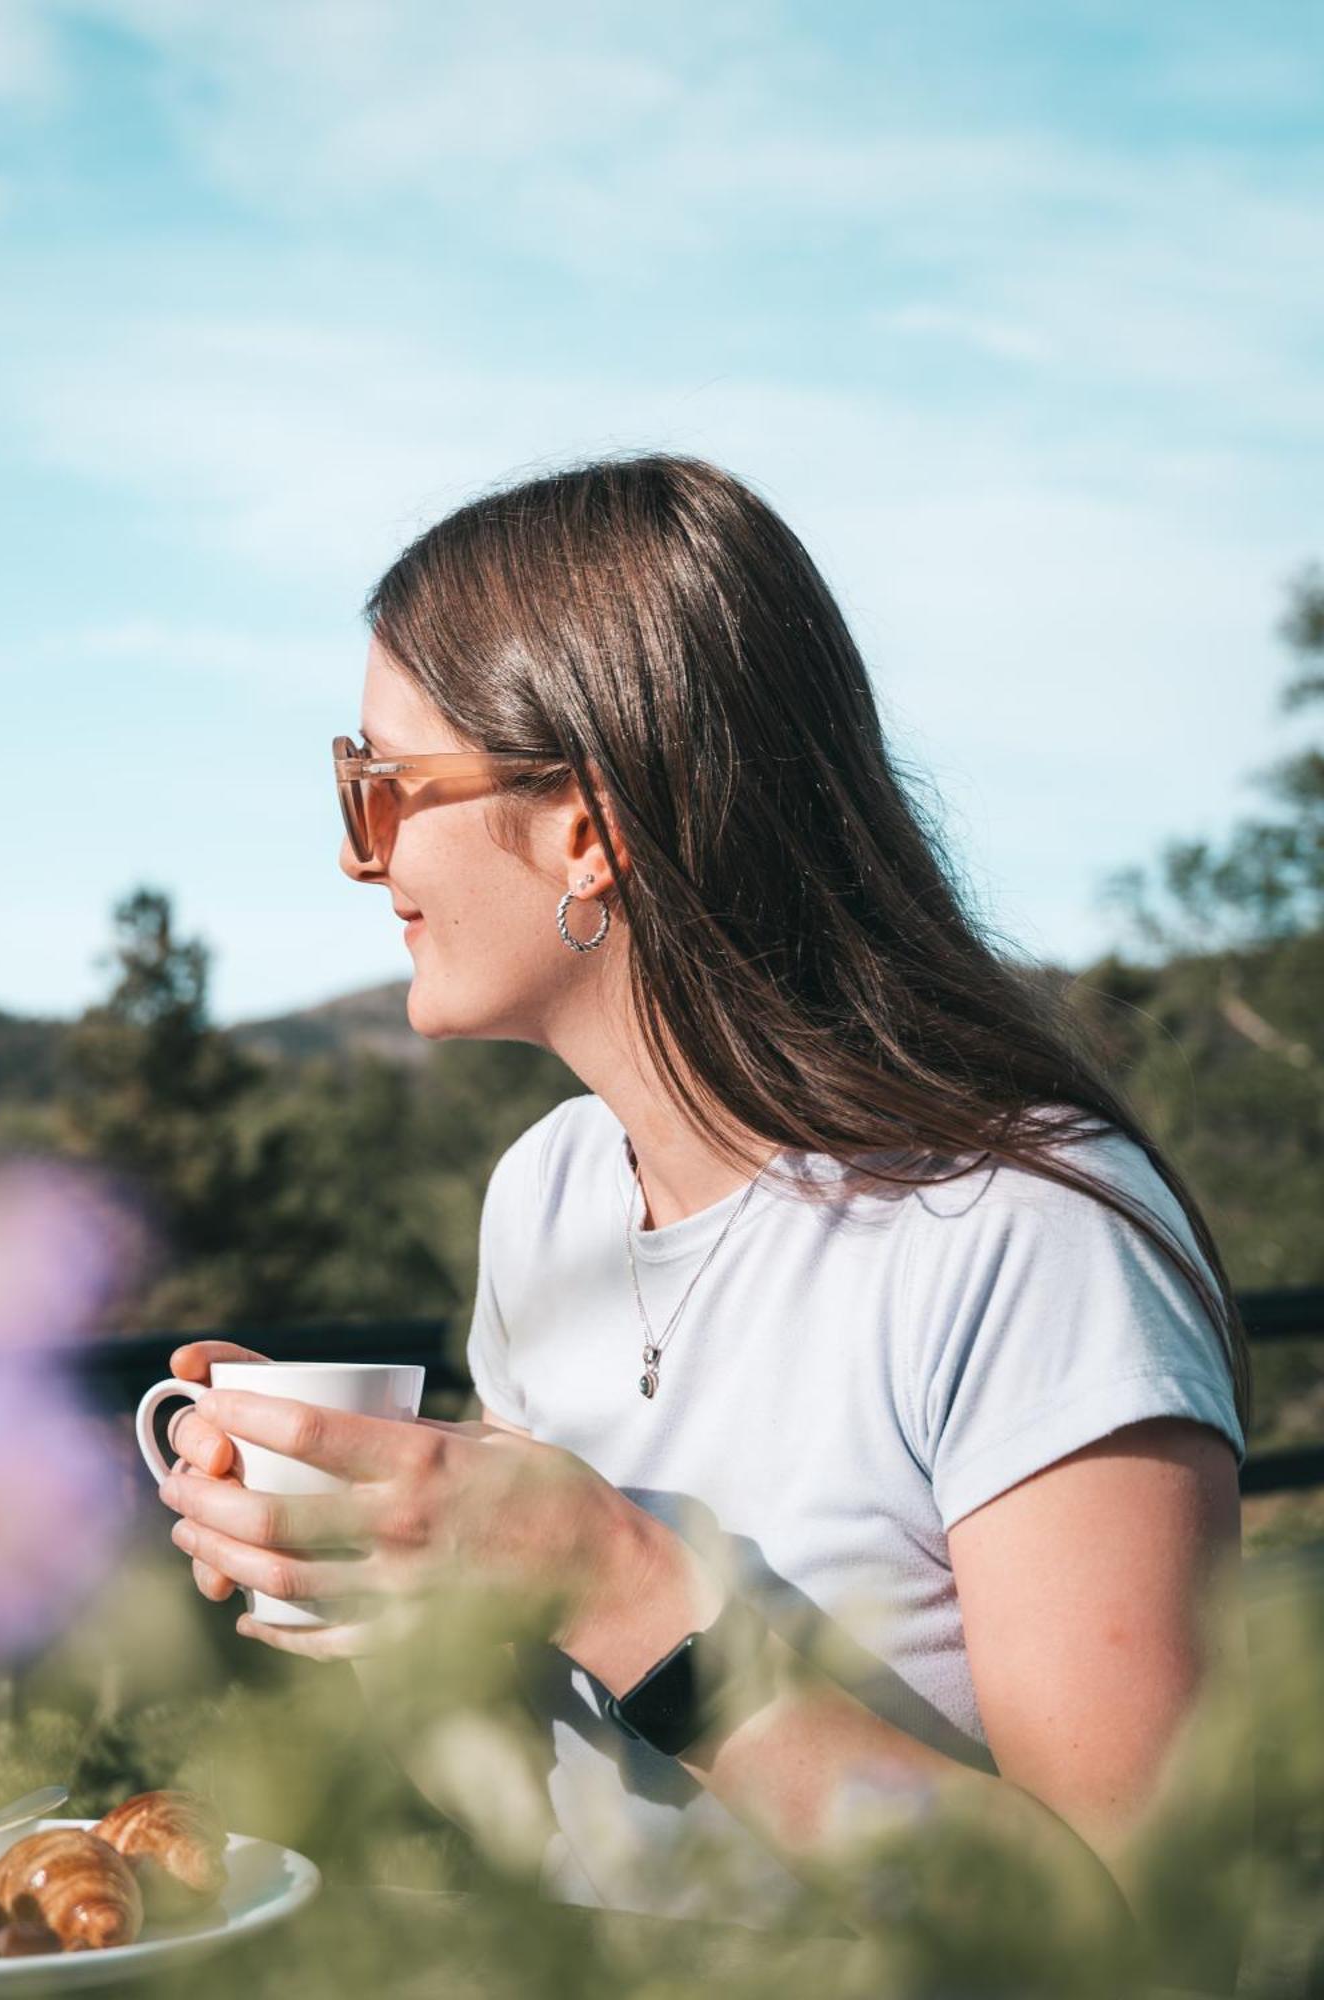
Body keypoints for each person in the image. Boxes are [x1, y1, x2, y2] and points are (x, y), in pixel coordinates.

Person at [157, 455, 1252, 1979]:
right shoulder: (545, 1199)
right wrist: (383, 1581)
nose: (365, 849)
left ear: (589, 831)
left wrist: (618, 1585)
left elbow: (1146, 1939)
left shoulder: (1027, 1239)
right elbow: (568, 1825)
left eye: (387, 786)